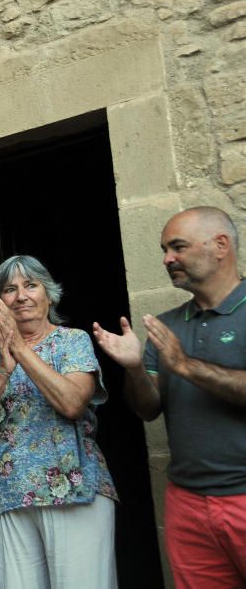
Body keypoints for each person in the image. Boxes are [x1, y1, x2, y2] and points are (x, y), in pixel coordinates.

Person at [93, 206, 246, 589]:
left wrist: (184, 364)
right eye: (164, 249)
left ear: (220, 245)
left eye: (177, 247)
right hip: (188, 501)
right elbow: (148, 409)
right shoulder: (167, 324)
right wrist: (132, 368)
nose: (167, 259)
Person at [0, 255, 118, 589]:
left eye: (31, 285)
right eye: (10, 289)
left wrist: (20, 348)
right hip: (9, 496)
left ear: (49, 293)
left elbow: (73, 403)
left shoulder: (73, 341)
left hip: (76, 492)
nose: (21, 296)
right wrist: (3, 369)